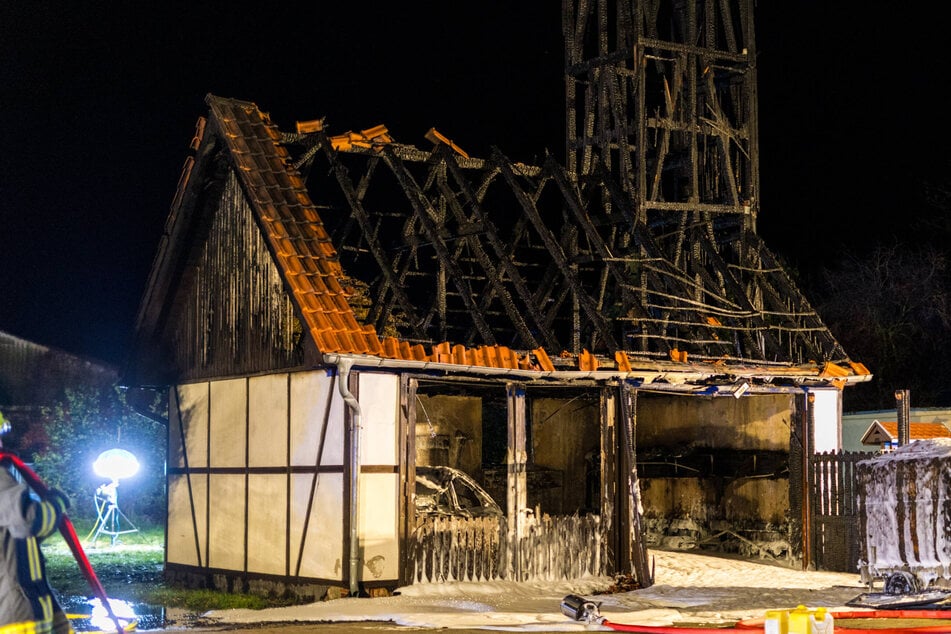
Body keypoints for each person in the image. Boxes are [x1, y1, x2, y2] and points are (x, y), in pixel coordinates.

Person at [0, 411, 73, 634]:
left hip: (30, 601)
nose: (2, 443)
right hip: (19, 613)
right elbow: (32, 520)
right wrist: (58, 503)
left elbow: (18, 534)